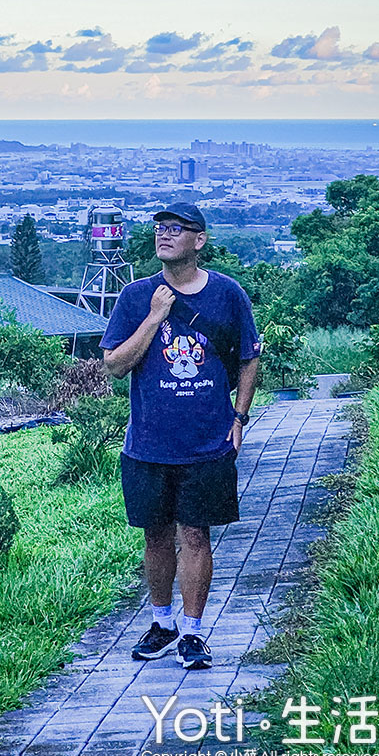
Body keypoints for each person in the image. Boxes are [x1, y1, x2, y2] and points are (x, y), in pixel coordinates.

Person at [101, 202, 261, 671]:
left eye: (176, 229)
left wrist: (239, 417)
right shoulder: (136, 296)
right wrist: (153, 318)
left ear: (199, 240)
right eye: (159, 228)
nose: (164, 236)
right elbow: (113, 365)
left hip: (208, 441)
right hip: (148, 441)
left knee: (196, 536)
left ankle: (192, 632)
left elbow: (250, 356)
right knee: (155, 535)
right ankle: (161, 621)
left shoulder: (229, 295)